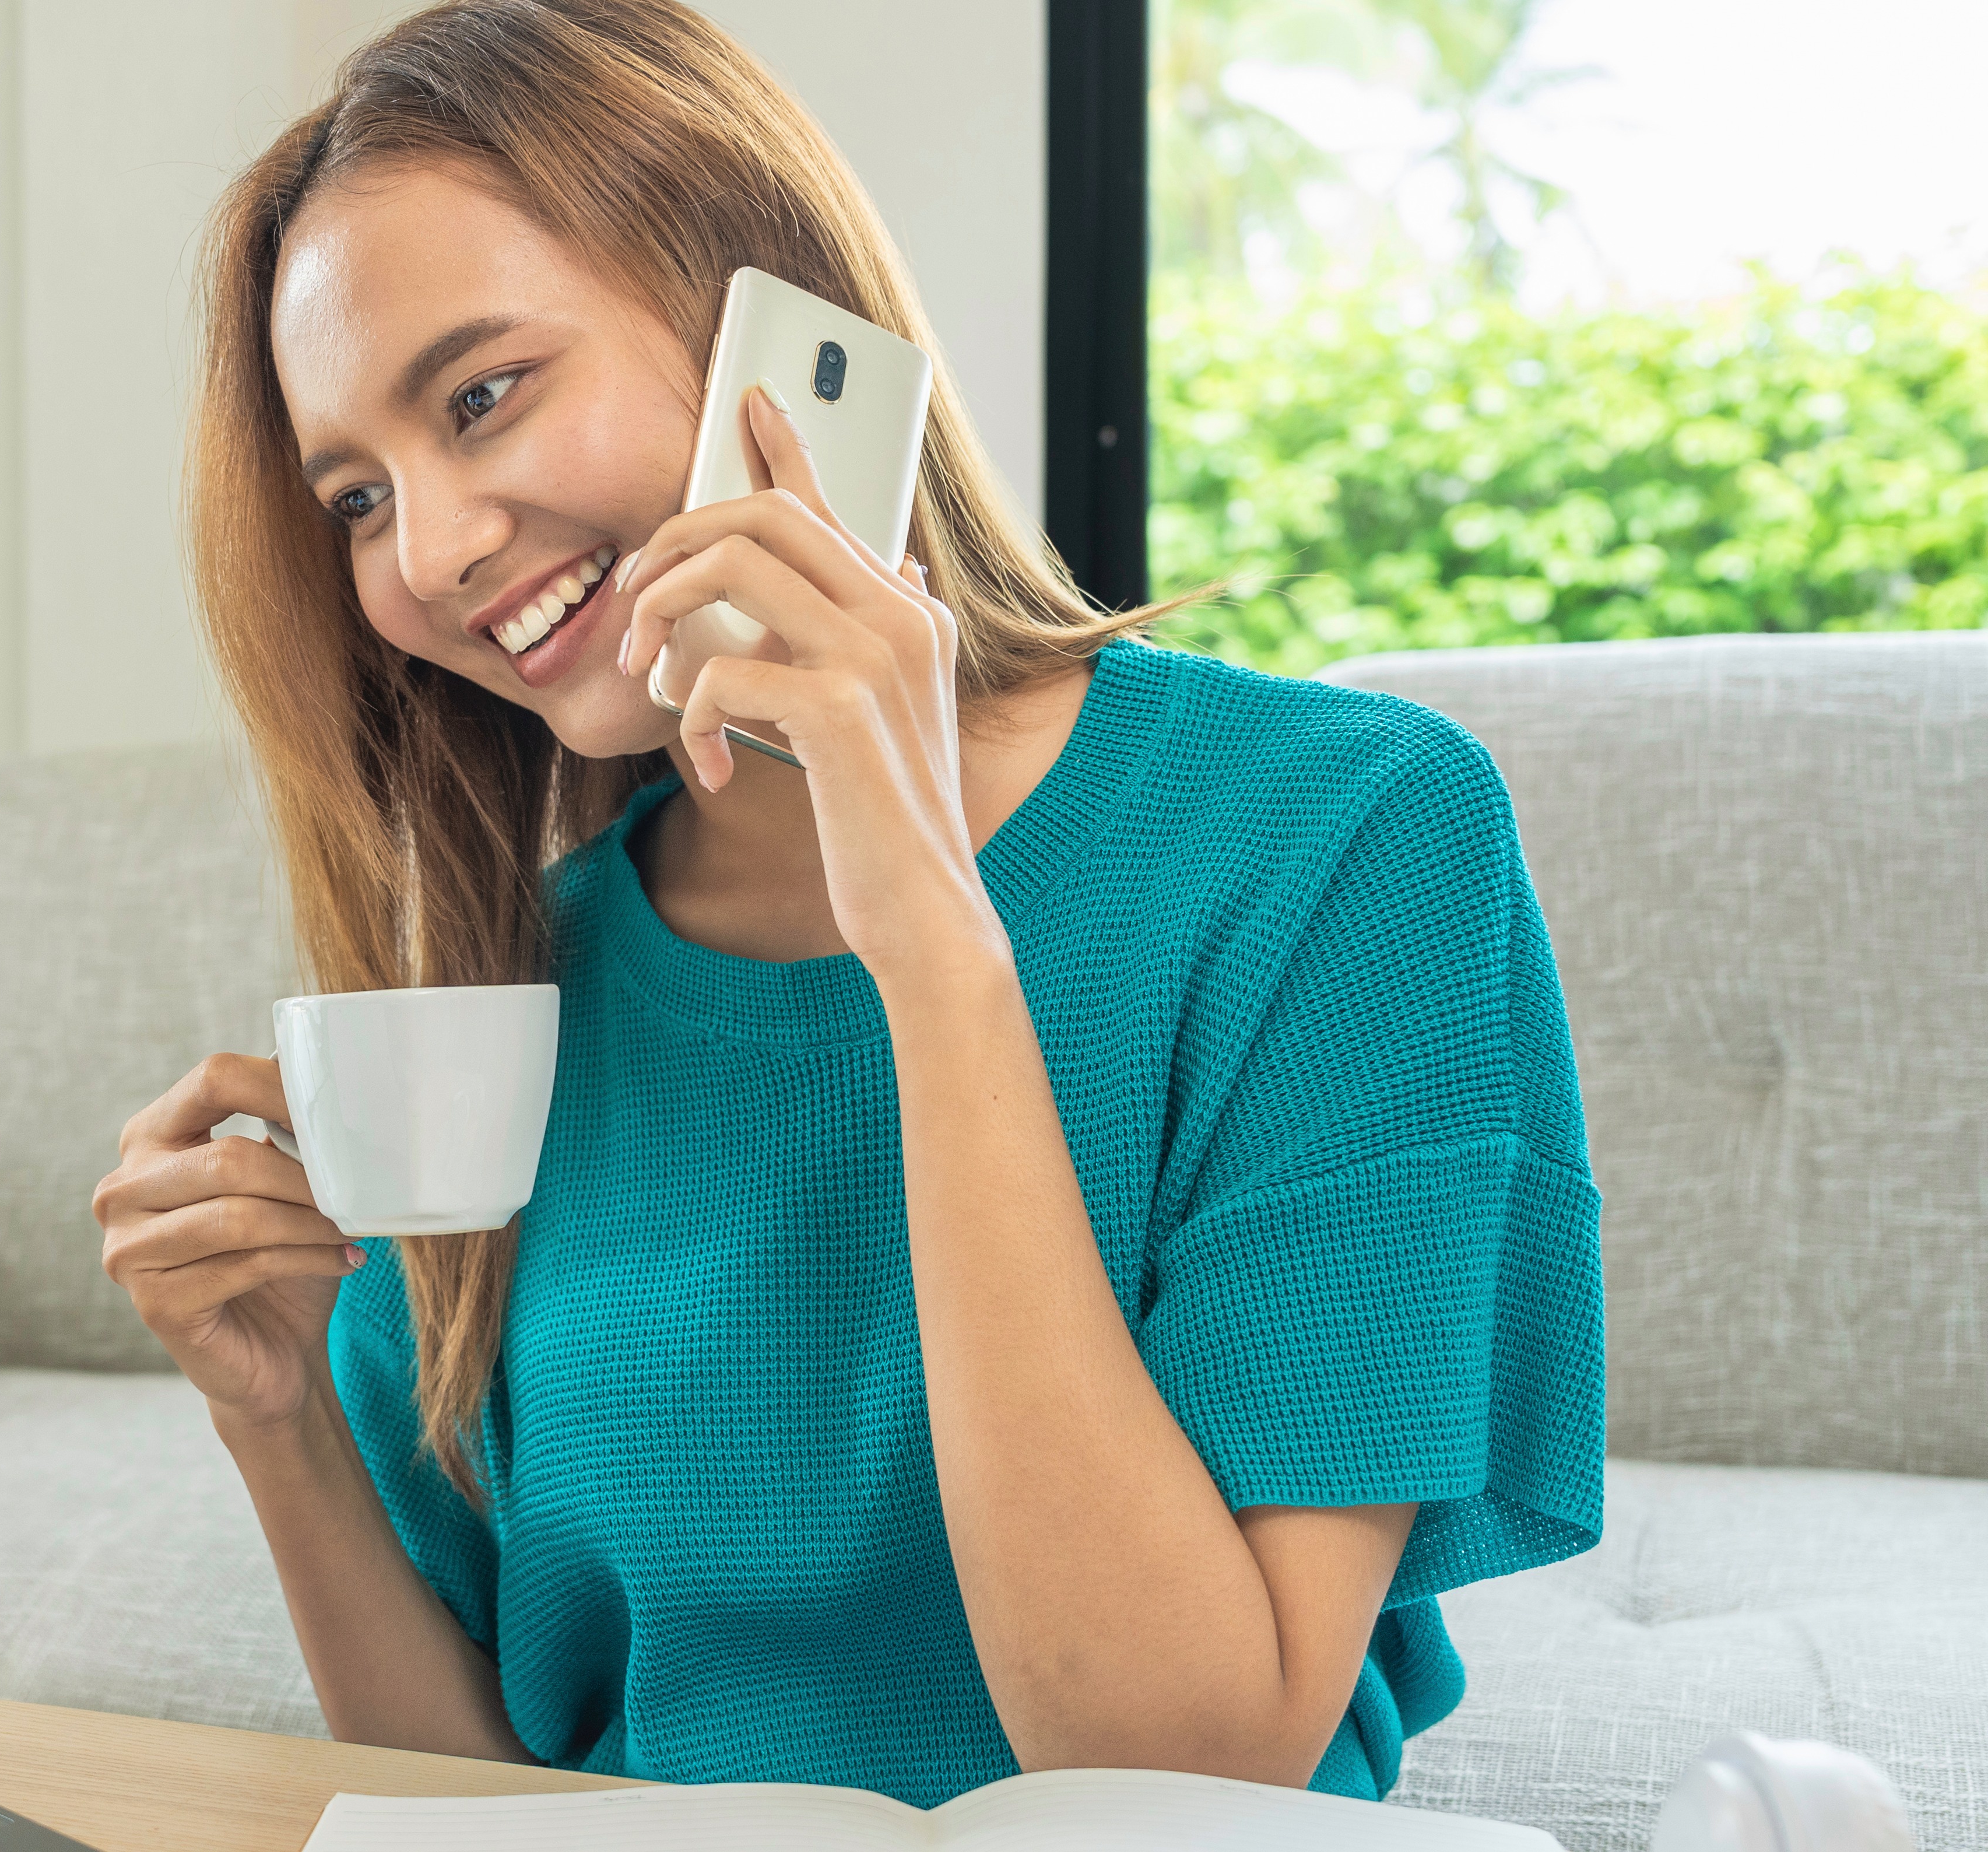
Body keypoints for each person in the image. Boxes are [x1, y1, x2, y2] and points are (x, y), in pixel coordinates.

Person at [91, 0, 1601, 1807]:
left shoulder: (1348, 836)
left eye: (482, 395)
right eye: (355, 497)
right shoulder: (512, 998)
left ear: (777, 323)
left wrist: (933, 943)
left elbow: (1184, 1773)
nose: (428, 555)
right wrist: (279, 1423)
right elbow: (480, 1807)